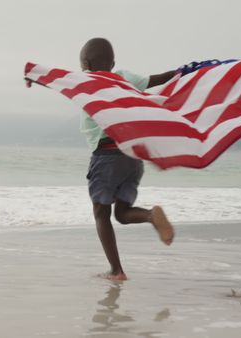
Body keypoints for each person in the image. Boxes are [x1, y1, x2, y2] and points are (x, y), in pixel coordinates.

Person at [79, 38, 176, 281]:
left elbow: (55, 80)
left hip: (107, 155)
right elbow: (158, 79)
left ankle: (116, 271)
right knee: (121, 214)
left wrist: (33, 76)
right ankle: (150, 216)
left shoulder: (86, 81)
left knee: (102, 213)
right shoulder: (124, 77)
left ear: (86, 64)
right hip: (133, 156)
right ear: (113, 62)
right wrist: (182, 72)